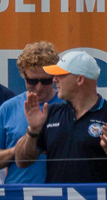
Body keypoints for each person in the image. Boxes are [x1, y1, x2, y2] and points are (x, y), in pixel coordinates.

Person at [12, 49, 107, 183]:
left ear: (79, 79)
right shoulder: (52, 112)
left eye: (60, 75)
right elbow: (22, 162)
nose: (55, 79)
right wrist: (33, 130)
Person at [0, 41, 57, 183]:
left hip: (60, 194)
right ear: (23, 76)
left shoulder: (67, 106)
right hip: (18, 196)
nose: (39, 88)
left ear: (55, 77)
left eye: (46, 81)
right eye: (32, 81)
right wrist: (18, 150)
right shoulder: (9, 108)